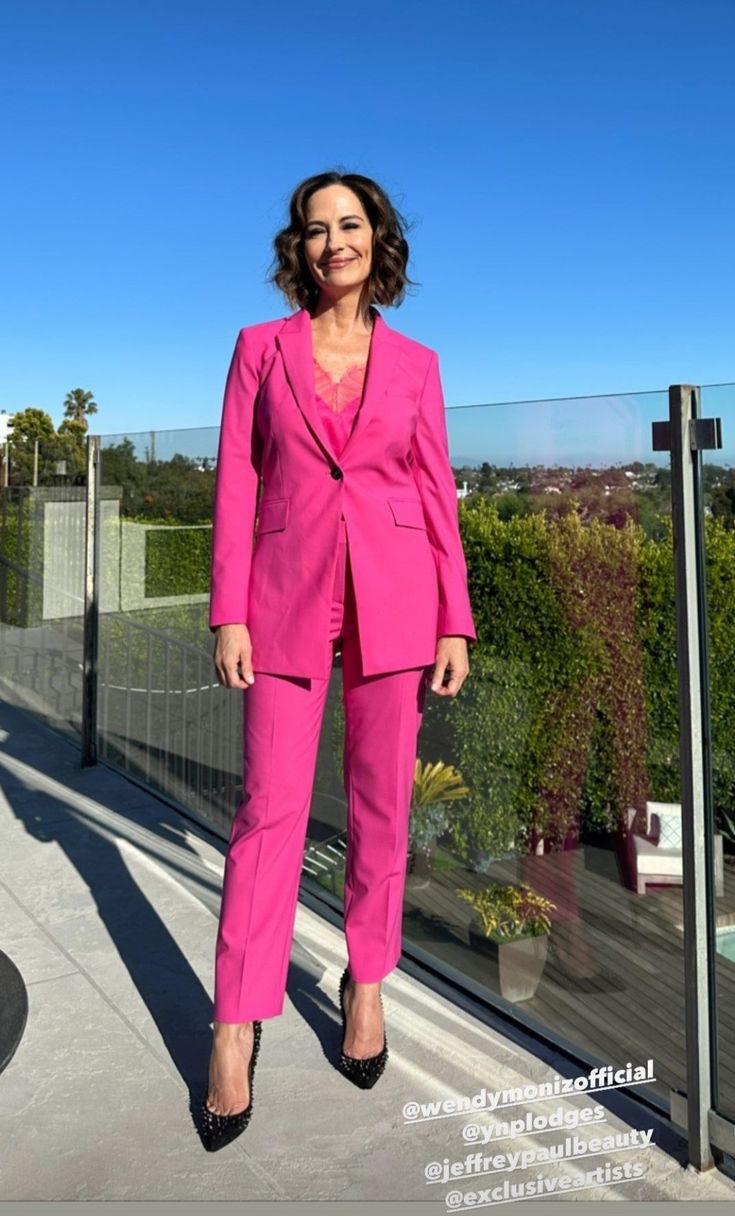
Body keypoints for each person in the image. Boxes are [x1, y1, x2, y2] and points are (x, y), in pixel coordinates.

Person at [201, 170, 477, 1151]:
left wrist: (455, 618)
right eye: (316, 230)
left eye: (349, 224)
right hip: (280, 597)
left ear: (376, 239)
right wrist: (227, 610)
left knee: (380, 810)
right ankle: (235, 1025)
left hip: (396, 602)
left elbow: (435, 490)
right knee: (267, 811)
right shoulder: (256, 351)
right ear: (300, 249)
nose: (334, 242)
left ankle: (368, 983)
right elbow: (238, 481)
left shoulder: (418, 365)